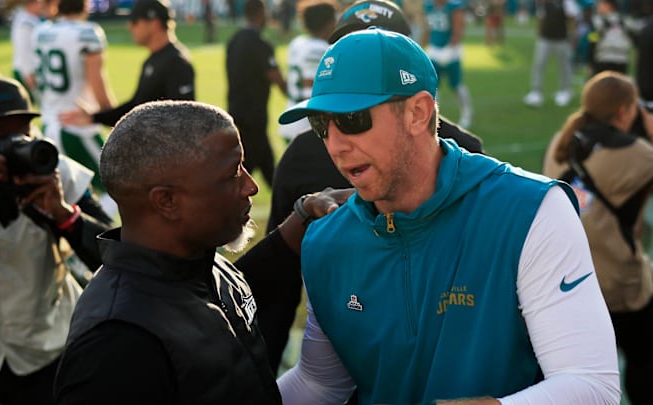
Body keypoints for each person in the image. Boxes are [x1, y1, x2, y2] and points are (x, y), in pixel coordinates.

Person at [276, 29, 620, 404]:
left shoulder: (529, 211)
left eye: (354, 119)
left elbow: (591, 385)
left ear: (418, 113)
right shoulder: (327, 241)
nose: (336, 145)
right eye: (321, 125)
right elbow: (320, 383)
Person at [52, 100, 350, 403]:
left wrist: (303, 215)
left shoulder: (199, 264)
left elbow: (216, 302)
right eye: (233, 173)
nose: (251, 186)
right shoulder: (116, 342)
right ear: (166, 201)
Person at [245, 0, 484, 375]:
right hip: (344, 353)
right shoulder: (305, 153)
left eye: (379, 50)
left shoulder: (464, 152)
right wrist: (263, 378)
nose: (338, 144)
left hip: (441, 353)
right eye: (349, 47)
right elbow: (281, 282)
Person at [0, 77, 110, 405]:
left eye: (19, 135)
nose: (12, 148)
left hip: (46, 350)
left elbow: (115, 259)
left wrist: (64, 215)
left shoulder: (57, 170)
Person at [542, 71, 653, 405]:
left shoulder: (561, 142)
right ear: (623, 111)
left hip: (567, 284)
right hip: (621, 288)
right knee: (645, 364)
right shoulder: (639, 155)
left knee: (580, 380)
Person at [33, 0, 117, 214]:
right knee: (118, 188)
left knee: (67, 195)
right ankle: (96, 243)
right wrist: (114, 119)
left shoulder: (42, 32)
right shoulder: (87, 33)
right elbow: (98, 82)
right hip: (77, 126)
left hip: (49, 125)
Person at [58, 0, 195, 129]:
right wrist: (94, 118)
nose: (129, 26)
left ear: (154, 24)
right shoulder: (153, 60)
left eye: (134, 21)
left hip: (166, 152)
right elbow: (135, 108)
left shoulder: (176, 62)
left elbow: (184, 119)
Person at [226, 0, 287, 188]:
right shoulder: (260, 43)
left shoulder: (234, 39)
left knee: (255, 166)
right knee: (258, 171)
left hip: (235, 112)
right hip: (254, 115)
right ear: (261, 12)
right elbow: (274, 75)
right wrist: (294, 95)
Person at [279, 0, 338, 143]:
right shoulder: (318, 49)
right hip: (306, 124)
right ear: (328, 22)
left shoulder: (298, 43)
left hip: (292, 113)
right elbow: (310, 88)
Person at [422, 0, 473, 128]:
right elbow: (428, 27)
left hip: (450, 51)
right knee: (433, 86)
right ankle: (433, 116)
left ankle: (467, 113)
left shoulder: (453, 6)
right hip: (434, 49)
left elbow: (459, 29)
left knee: (456, 84)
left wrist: (451, 48)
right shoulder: (429, 6)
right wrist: (423, 44)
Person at [523, 0, 580, 107]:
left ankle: (565, 91)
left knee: (564, 66)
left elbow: (573, 18)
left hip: (561, 39)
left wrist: (573, 35)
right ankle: (536, 92)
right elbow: (541, 18)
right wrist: (539, 34)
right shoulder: (543, 3)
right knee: (539, 65)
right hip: (545, 39)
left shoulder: (567, 2)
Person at [11, 0, 48, 103]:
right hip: (26, 71)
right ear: (31, 4)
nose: (42, 6)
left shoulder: (32, 20)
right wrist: (28, 73)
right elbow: (23, 48)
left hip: (31, 70)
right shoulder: (25, 23)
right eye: (39, 2)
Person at [588, 0, 632, 75]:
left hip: (602, 59)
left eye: (601, 4)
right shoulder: (626, 21)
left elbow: (592, 42)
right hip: (622, 60)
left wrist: (590, 61)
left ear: (609, 5)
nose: (598, 7)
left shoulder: (596, 21)